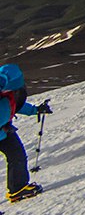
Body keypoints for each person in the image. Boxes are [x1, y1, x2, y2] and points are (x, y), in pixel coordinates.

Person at [0, 64, 51, 204]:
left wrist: (36, 110)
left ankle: (18, 188)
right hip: (3, 130)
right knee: (16, 155)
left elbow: (16, 105)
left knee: (17, 156)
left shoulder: (8, 91)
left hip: (4, 131)